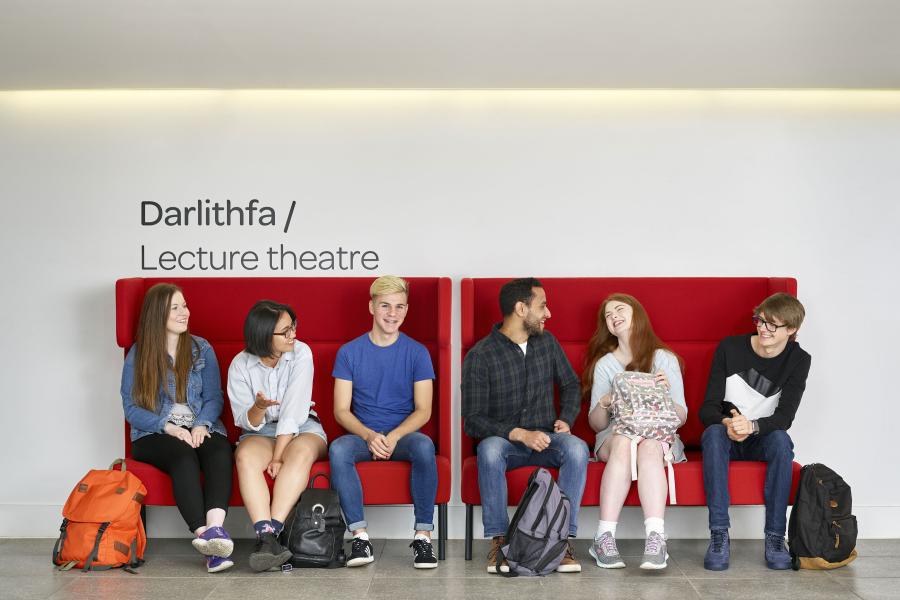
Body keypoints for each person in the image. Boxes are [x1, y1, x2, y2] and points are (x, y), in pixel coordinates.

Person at [462, 277, 588, 574]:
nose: (548, 313)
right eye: (542, 306)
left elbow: (571, 385)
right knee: (490, 449)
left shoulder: (548, 343)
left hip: (547, 438)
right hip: (508, 443)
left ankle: (560, 541)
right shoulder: (481, 355)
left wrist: (566, 420)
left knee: (578, 449)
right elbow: (473, 420)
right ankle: (500, 542)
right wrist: (519, 434)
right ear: (521, 308)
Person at [121, 283, 234, 573]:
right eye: (176, 307)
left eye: (185, 306)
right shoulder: (139, 354)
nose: (185, 312)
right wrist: (169, 427)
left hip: (198, 424)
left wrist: (201, 425)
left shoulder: (201, 348)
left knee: (220, 450)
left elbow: (213, 397)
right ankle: (205, 538)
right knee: (183, 456)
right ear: (158, 313)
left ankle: (216, 533)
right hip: (154, 433)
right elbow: (132, 409)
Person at [329, 276, 439, 569]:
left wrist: (393, 436)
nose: (393, 314)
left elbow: (423, 410)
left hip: (402, 436)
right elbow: (341, 410)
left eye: (400, 307)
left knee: (425, 446)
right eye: (385, 306)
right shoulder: (349, 352)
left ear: (406, 309)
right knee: (339, 449)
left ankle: (423, 537)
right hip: (363, 436)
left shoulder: (417, 353)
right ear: (371, 307)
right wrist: (368, 436)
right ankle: (360, 537)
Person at [699, 292, 811, 571]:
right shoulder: (730, 348)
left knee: (781, 441)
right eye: (760, 321)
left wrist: (753, 426)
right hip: (727, 434)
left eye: (773, 325)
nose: (763, 328)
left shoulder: (799, 360)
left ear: (792, 330)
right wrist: (729, 423)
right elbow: (708, 408)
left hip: (762, 437)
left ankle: (775, 537)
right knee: (712, 434)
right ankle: (719, 536)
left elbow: (785, 417)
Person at [582, 294, 687, 570]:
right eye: (608, 314)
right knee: (623, 441)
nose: (613, 315)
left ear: (637, 314)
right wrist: (605, 401)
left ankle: (656, 537)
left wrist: (664, 394)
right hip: (616, 434)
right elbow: (596, 424)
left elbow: (680, 417)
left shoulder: (663, 359)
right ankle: (603, 537)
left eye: (619, 309)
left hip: (658, 433)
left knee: (649, 444)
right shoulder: (606, 364)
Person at [228, 300, 328, 572]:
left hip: (302, 426)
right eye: (285, 331)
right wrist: (258, 408)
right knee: (245, 456)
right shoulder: (240, 365)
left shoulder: (301, 353)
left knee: (301, 453)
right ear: (263, 335)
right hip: (260, 431)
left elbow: (294, 412)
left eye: (293, 327)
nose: (292, 335)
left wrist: (278, 456)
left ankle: (270, 535)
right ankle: (268, 537)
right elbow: (243, 420)